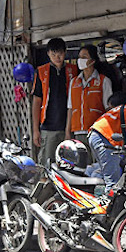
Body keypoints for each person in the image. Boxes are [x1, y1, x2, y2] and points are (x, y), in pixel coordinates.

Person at [32, 38, 78, 167]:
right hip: (48, 126)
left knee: (70, 165)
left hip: (70, 126)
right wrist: (35, 130)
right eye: (53, 54)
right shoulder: (41, 71)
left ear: (65, 53)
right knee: (47, 164)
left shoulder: (73, 70)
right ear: (48, 54)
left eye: (60, 54)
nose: (57, 57)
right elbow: (36, 101)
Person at [65, 45, 113, 150]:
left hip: (97, 132)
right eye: (79, 57)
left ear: (93, 60)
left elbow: (109, 110)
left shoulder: (103, 81)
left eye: (84, 57)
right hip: (78, 131)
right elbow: (70, 109)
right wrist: (67, 132)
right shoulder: (74, 82)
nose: (80, 60)